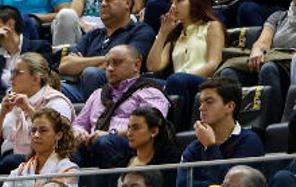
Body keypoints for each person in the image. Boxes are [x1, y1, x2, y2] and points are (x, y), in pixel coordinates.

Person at [75, 106, 182, 187]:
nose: (129, 133)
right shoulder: (124, 159)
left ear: (153, 131)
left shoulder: (169, 158)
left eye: (136, 128)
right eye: (129, 127)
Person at [176, 77, 264, 187]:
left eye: (209, 102)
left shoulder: (249, 141)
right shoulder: (194, 146)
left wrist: (211, 147)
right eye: (201, 102)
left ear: (229, 106)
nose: (201, 107)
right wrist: (212, 182)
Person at [71, 44, 169, 171]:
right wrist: (79, 133)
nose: (110, 68)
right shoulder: (97, 94)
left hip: (129, 145)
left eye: (117, 63)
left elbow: (153, 124)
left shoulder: (149, 92)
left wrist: (111, 134)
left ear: (137, 65)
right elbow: (79, 123)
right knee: (66, 147)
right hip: (93, 144)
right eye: (108, 64)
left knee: (105, 142)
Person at [0, 52, 75, 174]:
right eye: (11, 73)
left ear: (36, 78)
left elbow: (61, 140)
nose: (11, 78)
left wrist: (28, 108)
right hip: (6, 159)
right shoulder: (9, 101)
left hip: (42, 161)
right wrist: (2, 114)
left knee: (12, 162)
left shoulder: (56, 102)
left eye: (17, 73)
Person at [146, 0, 225, 128]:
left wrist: (182, 77)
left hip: (204, 81)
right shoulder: (175, 35)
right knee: (143, 82)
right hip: (176, 82)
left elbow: (213, 64)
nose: (173, 6)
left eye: (179, 1)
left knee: (177, 79)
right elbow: (153, 66)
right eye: (172, 2)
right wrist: (163, 33)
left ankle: (175, 129)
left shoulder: (212, 26)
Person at [59, 0, 155, 103]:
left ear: (128, 3)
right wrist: (105, 59)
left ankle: (99, 114)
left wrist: (81, 63)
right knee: (51, 87)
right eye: (102, 1)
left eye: (109, 0)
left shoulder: (140, 31)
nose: (103, 4)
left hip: (119, 90)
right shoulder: (94, 34)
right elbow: (64, 65)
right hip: (80, 88)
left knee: (91, 74)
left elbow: (127, 64)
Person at [219, 0, 296, 123]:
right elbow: (263, 42)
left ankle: (269, 126)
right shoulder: (279, 16)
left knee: (268, 69)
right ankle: (232, 126)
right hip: (274, 59)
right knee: (228, 73)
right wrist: (257, 50)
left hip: (289, 65)